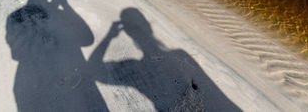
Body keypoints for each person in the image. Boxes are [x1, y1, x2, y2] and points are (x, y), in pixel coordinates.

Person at [89, 7, 240, 111]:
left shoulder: (137, 67)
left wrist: (109, 36)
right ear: (149, 27)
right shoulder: (181, 55)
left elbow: (95, 72)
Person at [6, 0, 108, 112]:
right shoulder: (17, 17)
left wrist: (64, 4)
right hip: (38, 86)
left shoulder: (58, 14)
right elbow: (17, 54)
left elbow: (87, 39)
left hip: (61, 85)